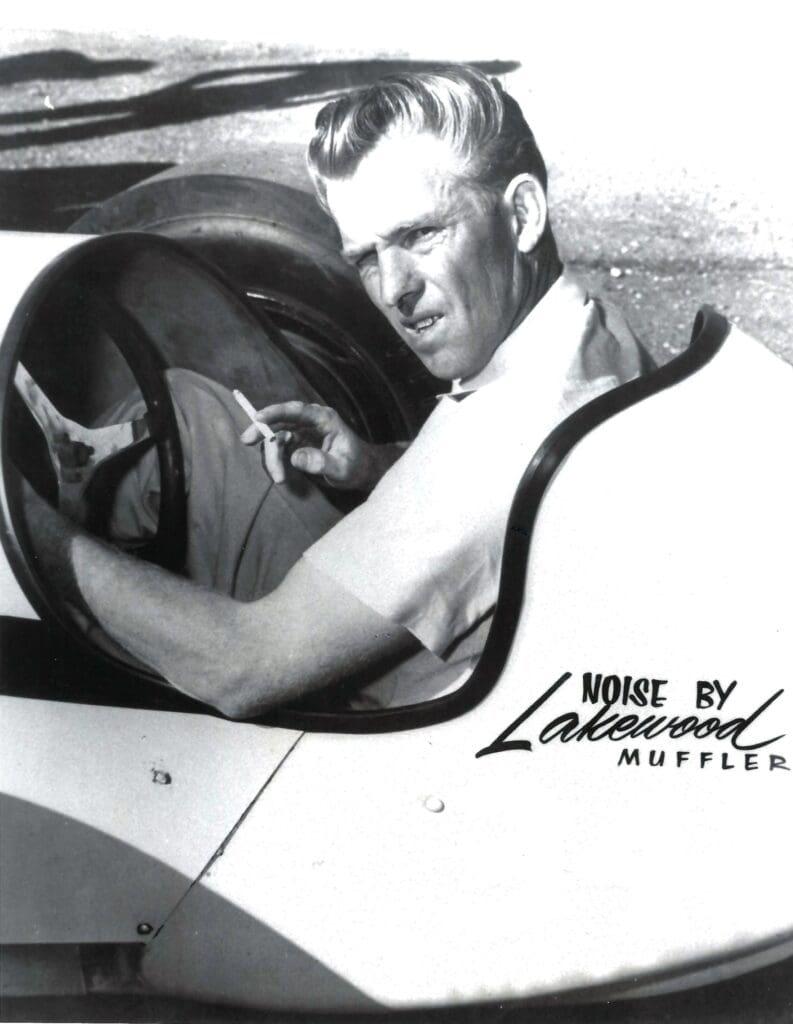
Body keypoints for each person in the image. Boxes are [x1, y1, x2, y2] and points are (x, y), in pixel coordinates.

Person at [21, 65, 653, 717]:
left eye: (420, 236)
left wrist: (28, 525)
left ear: (521, 214)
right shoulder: (586, 330)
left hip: (358, 708)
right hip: (433, 645)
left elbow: (243, 670)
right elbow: (498, 498)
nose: (392, 290)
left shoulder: (490, 446)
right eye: (366, 257)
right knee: (196, 408)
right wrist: (378, 463)